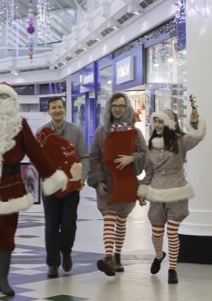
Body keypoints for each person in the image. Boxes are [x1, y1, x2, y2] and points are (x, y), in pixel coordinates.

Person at [0, 83, 68, 296]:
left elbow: (35, 152)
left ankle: (3, 279)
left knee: (6, 232)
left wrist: (51, 175)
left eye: (5, 97)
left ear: (13, 101)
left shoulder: (20, 124)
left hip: (9, 184)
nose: (1, 102)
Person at [138, 105, 205, 284]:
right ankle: (159, 255)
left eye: (161, 121)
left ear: (169, 123)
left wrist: (194, 122)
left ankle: (172, 269)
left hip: (177, 190)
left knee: (172, 232)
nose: (157, 125)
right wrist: (142, 191)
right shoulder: (151, 145)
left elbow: (196, 137)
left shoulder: (180, 141)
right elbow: (149, 171)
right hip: (157, 191)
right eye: (155, 121)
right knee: (156, 233)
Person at [88, 91, 147, 277]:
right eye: (114, 106)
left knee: (121, 222)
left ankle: (117, 256)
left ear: (127, 107)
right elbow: (94, 157)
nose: (118, 109)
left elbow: (145, 153)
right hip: (107, 183)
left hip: (127, 183)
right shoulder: (101, 132)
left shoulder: (135, 132)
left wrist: (132, 158)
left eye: (121, 106)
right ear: (109, 108)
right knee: (108, 219)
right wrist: (98, 180)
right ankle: (108, 258)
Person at [38, 96, 89, 278]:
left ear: (64, 109)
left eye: (60, 107)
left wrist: (82, 177)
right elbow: (37, 159)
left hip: (71, 186)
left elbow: (84, 156)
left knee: (68, 223)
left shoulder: (75, 131)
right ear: (48, 111)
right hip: (50, 186)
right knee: (52, 224)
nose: (57, 110)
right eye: (53, 107)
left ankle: (66, 252)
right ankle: (53, 263)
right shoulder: (42, 133)